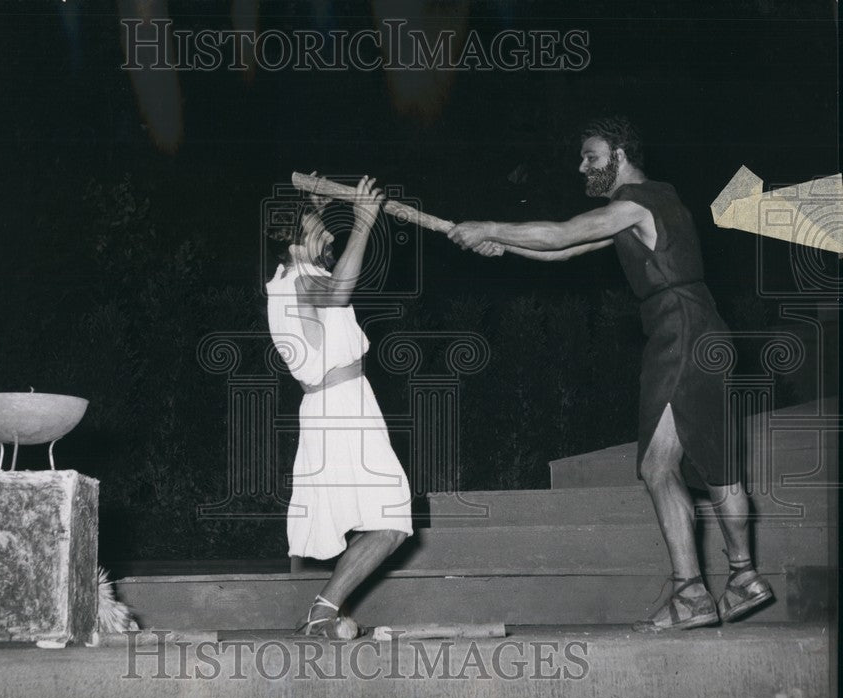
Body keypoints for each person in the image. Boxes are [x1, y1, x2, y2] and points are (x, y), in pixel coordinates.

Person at [447, 117, 773, 632]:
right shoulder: (658, 200)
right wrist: (505, 244)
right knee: (717, 466)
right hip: (706, 330)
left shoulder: (634, 202)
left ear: (619, 154)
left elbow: (563, 233)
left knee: (658, 467)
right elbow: (569, 248)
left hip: (680, 334)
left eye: (591, 157)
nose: (583, 166)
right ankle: (744, 578)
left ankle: (691, 592)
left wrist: (488, 226)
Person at [266, 175, 412, 638]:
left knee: (389, 521)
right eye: (317, 227)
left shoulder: (296, 277)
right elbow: (339, 292)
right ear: (292, 239)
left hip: (342, 406)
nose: (328, 234)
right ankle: (322, 611)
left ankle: (322, 613)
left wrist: (316, 202)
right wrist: (365, 222)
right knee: (392, 519)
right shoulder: (300, 279)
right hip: (339, 411)